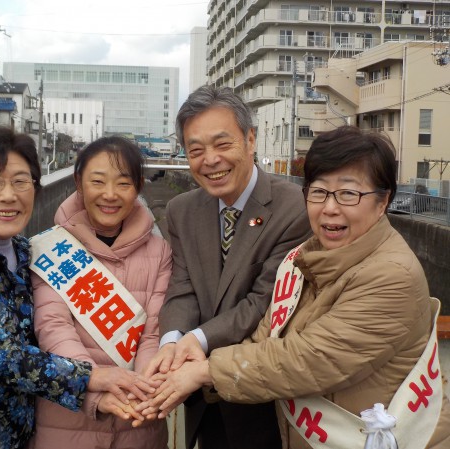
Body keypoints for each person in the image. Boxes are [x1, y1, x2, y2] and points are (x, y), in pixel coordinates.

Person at [148, 126, 450, 449]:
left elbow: (306, 359)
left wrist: (205, 371)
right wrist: (197, 361)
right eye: (318, 192)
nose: (330, 207)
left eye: (349, 194)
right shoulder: (306, 257)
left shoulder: (392, 276)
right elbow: (267, 334)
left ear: (382, 201)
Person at [0, 127, 155, 449]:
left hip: (15, 434)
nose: (9, 196)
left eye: (21, 182)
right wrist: (92, 377)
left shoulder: (26, 251)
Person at [144, 85, 312, 449]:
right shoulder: (182, 210)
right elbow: (183, 286)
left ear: (250, 140)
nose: (211, 160)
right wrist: (171, 341)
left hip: (263, 400)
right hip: (201, 400)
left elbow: (263, 301)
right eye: (196, 150)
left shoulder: (293, 208)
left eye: (223, 144)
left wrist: (196, 339)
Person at [29, 136, 172, 449]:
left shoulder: (160, 252)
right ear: (79, 183)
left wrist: (143, 388)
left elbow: (153, 332)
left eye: (123, 183)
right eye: (97, 181)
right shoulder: (51, 249)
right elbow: (53, 326)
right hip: (65, 424)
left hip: (139, 422)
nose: (110, 195)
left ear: (138, 187)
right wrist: (93, 384)